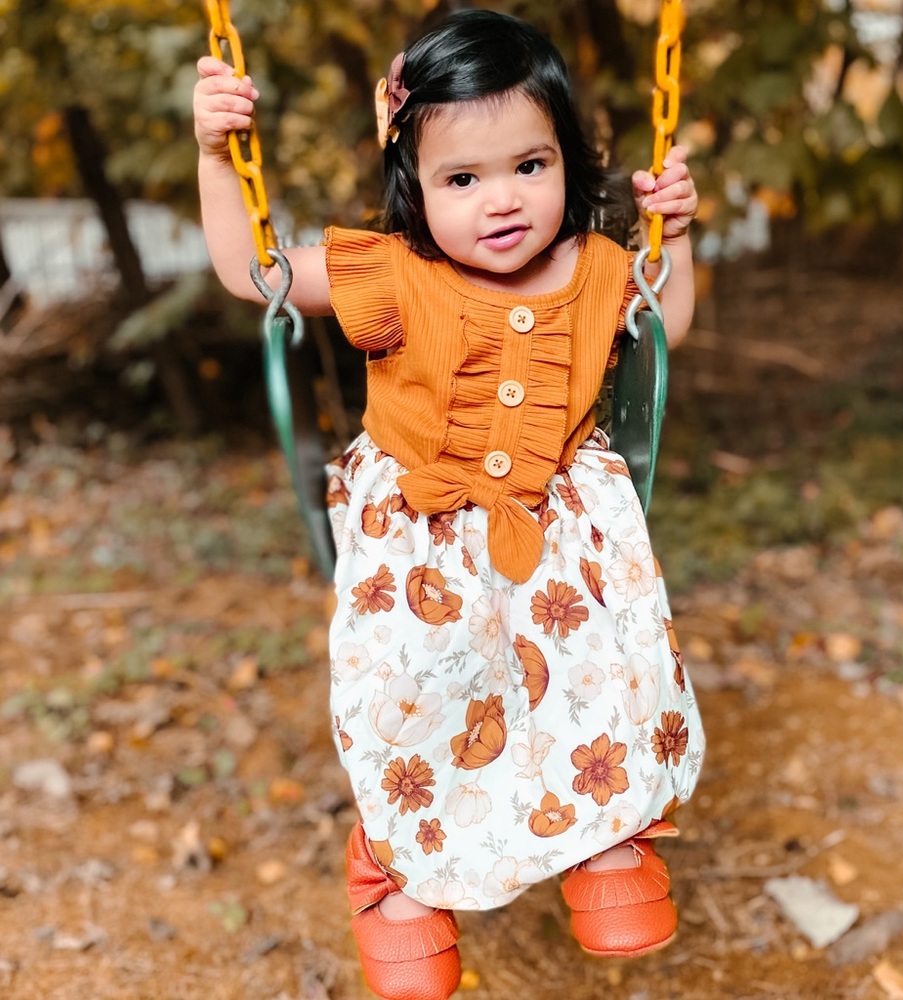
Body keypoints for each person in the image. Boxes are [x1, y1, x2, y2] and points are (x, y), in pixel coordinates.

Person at [193, 9, 705, 1000]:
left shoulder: (598, 266)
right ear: (413, 183)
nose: (501, 201)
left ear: (571, 160)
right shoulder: (390, 272)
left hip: (563, 540)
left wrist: (674, 235)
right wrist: (219, 158)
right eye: (461, 179)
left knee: (601, 665)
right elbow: (250, 272)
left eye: (529, 165)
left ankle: (608, 834)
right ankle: (396, 871)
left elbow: (665, 323)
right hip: (419, 542)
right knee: (415, 694)